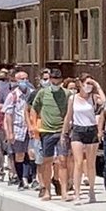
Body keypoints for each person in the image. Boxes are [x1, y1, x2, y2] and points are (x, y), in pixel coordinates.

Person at [61, 76, 104, 204]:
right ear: (80, 84)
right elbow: (68, 116)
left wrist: (97, 85)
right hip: (78, 130)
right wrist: (64, 133)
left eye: (90, 83)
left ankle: (91, 190)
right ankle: (77, 193)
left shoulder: (93, 97)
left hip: (91, 130)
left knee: (90, 163)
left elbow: (105, 102)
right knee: (78, 162)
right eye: (87, 83)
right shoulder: (72, 98)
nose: (88, 86)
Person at [30, 68, 70, 202]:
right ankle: (47, 191)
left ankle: (64, 191)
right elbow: (34, 109)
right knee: (47, 161)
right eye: (53, 79)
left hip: (61, 132)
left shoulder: (67, 94)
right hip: (46, 132)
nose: (55, 82)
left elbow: (70, 111)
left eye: (57, 79)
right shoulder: (42, 93)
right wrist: (34, 126)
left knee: (63, 161)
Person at [2, 72, 35, 190]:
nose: (24, 81)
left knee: (31, 153)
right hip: (18, 128)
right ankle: (21, 179)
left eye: (26, 78)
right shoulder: (13, 96)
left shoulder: (32, 94)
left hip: (31, 128)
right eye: (22, 79)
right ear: (16, 81)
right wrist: (10, 132)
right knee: (20, 155)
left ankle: (31, 178)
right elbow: (8, 115)